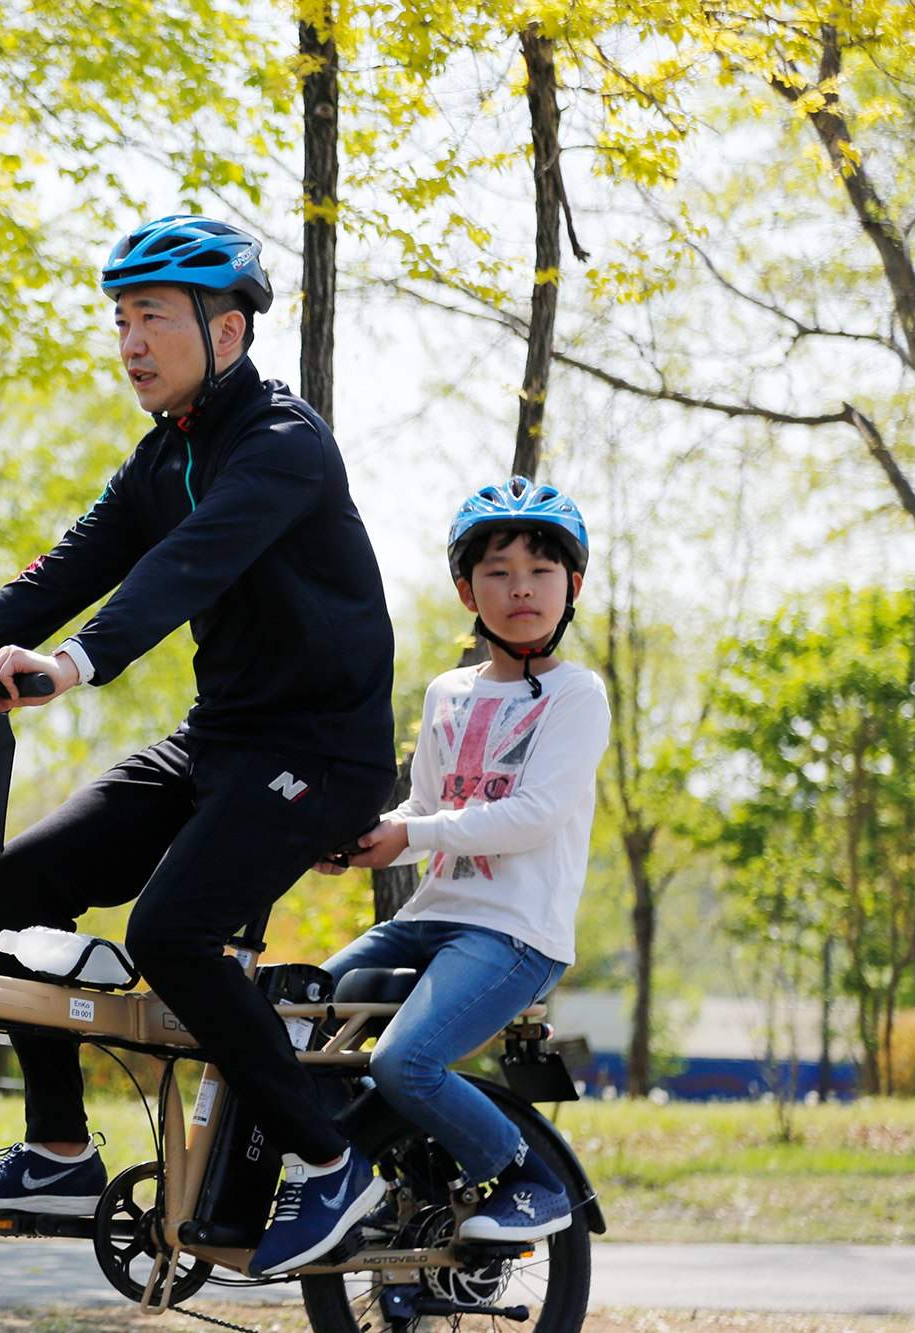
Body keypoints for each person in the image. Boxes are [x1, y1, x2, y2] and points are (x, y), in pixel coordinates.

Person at [0, 214, 397, 1269]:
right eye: (121, 320)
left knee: (171, 932)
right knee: (26, 879)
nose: (130, 342)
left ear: (226, 332)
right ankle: (58, 1150)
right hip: (220, 740)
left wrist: (72, 664)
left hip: (319, 753)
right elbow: (70, 566)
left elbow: (185, 567)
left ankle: (332, 1163)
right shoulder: (163, 455)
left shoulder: (282, 444)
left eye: (152, 318)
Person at [307, 476, 610, 1248]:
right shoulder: (448, 692)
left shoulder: (578, 695)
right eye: (498, 572)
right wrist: (365, 837)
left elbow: (533, 816)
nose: (521, 588)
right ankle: (367, 1176)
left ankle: (527, 1178)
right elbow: (426, 805)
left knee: (405, 1060)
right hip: (429, 917)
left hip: (514, 934)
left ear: (572, 586)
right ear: (467, 591)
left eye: (541, 571)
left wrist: (413, 832)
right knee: (292, 1018)